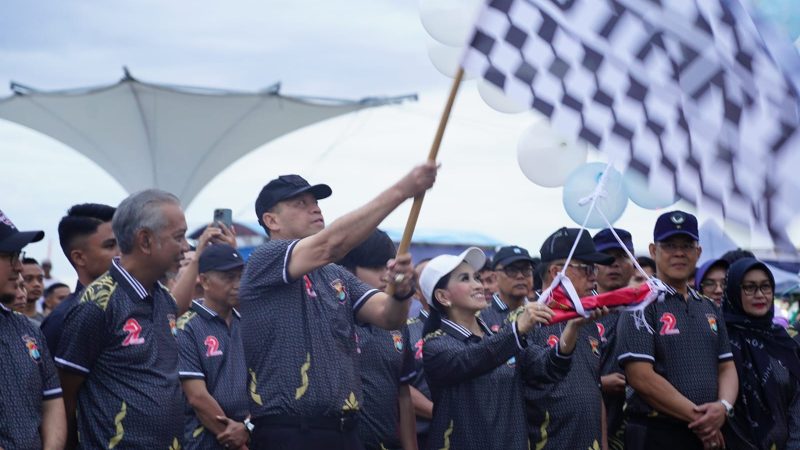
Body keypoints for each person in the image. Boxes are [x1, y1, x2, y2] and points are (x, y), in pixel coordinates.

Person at [239, 164, 436, 450]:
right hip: (290, 431)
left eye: (315, 202)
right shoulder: (265, 259)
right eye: (300, 204)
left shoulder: (335, 274)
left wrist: (402, 291)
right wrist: (402, 190)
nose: (315, 209)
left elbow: (388, 316)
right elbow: (331, 244)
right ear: (272, 220)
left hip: (344, 431)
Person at [420, 247, 599, 450]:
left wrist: (572, 328)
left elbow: (548, 368)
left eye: (476, 277)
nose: (478, 285)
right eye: (465, 279)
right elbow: (476, 357)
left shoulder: (499, 339)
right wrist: (518, 328)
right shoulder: (436, 346)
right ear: (443, 297)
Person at [56, 189, 191, 449]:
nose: (186, 247)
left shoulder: (163, 298)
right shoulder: (98, 304)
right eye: (179, 237)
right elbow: (65, 394)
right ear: (145, 241)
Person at [617, 210, 738, 449]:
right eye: (670, 245)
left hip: (708, 431)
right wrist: (702, 420)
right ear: (654, 250)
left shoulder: (708, 307)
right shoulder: (639, 305)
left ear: (698, 252)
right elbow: (641, 377)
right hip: (657, 433)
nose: (679, 253)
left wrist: (723, 407)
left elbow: (726, 366)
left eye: (687, 246)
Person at [525, 227, 613, 450]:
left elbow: (595, 389)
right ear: (557, 272)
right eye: (587, 268)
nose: (594, 276)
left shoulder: (588, 319)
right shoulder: (526, 321)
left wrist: (603, 444)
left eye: (594, 268)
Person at [338, 229, 417, 450]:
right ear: (347, 271)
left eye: (387, 267)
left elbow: (403, 394)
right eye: (375, 267)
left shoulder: (398, 324)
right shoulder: (332, 318)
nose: (385, 276)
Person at [0, 208, 66, 449]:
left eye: (19, 255)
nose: (19, 267)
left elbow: (52, 400)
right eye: (10, 256)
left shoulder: (28, 330)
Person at [177, 244, 251, 450]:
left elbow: (263, 384)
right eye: (229, 277)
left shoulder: (246, 322)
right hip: (205, 441)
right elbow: (197, 397)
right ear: (205, 281)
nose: (238, 284)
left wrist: (247, 427)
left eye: (240, 276)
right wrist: (237, 441)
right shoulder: (186, 327)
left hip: (250, 434)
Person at [722, 258, 800, 450]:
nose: (759, 295)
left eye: (765, 287)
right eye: (749, 287)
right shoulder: (720, 339)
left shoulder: (783, 341)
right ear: (734, 291)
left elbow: (797, 401)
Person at [41, 203, 118, 355]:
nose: (121, 252)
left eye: (123, 243)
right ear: (79, 258)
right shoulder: (62, 321)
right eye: (110, 246)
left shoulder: (138, 305)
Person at [592, 227, 636, 449]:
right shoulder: (578, 314)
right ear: (593, 266)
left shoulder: (647, 309)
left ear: (633, 263)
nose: (614, 264)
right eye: (605, 257)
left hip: (641, 428)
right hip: (591, 427)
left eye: (621, 256)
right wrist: (600, 383)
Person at [479, 245, 537, 332]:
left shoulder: (542, 309)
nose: (520, 276)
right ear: (495, 277)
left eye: (526, 270)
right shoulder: (482, 318)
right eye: (511, 270)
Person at [406, 259, 432, 448]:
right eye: (430, 277)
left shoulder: (482, 329)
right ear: (416, 293)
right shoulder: (404, 332)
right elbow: (399, 386)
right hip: (423, 438)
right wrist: (440, 413)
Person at [20, 257, 45, 325]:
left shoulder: (46, 323)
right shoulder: (5, 321)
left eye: (40, 279)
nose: (36, 284)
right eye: (28, 279)